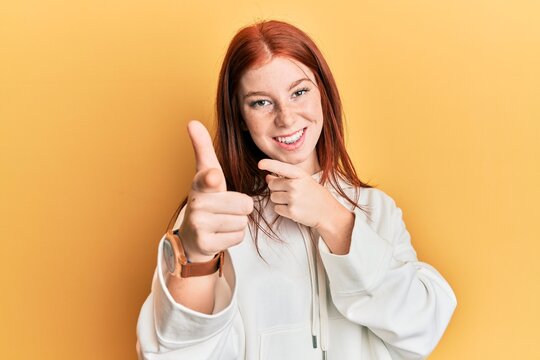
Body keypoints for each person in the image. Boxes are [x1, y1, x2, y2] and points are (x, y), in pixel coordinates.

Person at [136, 20, 456, 359]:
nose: (286, 118)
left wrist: (335, 221)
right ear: (240, 116)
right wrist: (196, 259)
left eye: (299, 92)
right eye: (261, 102)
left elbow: (422, 326)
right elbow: (171, 354)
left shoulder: (376, 209)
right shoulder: (217, 217)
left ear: (323, 95)